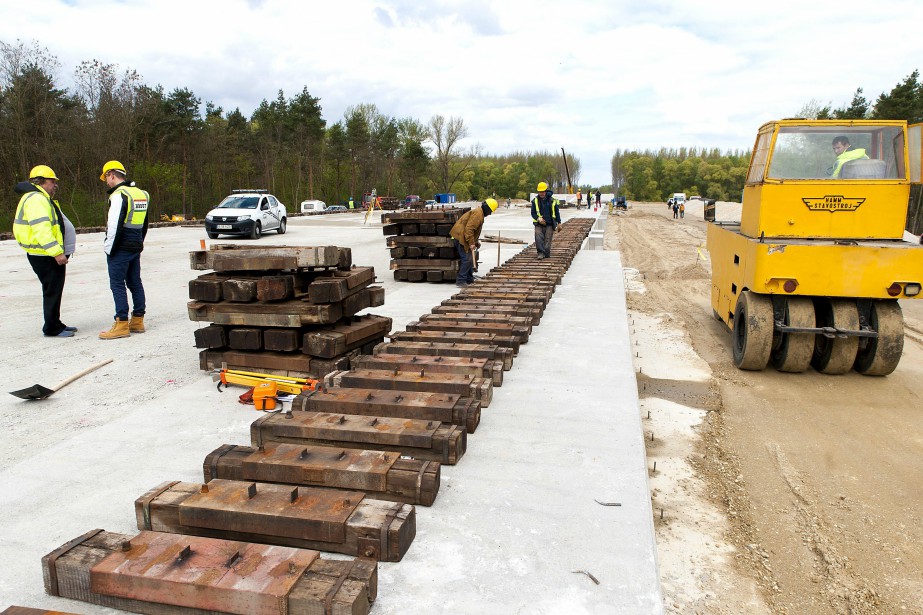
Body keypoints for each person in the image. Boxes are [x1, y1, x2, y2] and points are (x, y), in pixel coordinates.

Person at [13, 165, 78, 338]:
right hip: (45, 254)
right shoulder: (36, 199)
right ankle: (51, 328)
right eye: (52, 181)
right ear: (41, 182)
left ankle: (55, 323)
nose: (55, 185)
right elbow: (42, 230)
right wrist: (57, 252)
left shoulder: (39, 197)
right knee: (52, 290)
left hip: (45, 253)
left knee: (54, 289)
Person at [99, 160, 150, 340]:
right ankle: (137, 320)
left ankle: (121, 323)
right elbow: (144, 224)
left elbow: (114, 225)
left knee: (117, 283)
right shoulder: (141, 194)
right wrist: (139, 243)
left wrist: (108, 248)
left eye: (106, 178)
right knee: (134, 281)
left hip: (120, 245)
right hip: (135, 242)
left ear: (111, 175)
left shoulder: (119, 195)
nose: (106, 182)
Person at [450, 198, 498, 287]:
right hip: (460, 237)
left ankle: (469, 279)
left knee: (470, 259)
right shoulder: (478, 214)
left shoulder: (479, 213)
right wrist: (471, 243)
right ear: (487, 208)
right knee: (467, 259)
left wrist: (475, 242)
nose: (490, 213)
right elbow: (469, 229)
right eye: (490, 211)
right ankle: (461, 280)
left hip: (463, 237)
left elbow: (473, 231)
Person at [531, 181, 561, 259]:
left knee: (548, 239)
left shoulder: (552, 200)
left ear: (546, 190)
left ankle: (546, 252)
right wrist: (538, 218)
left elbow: (557, 212)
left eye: (543, 191)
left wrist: (559, 222)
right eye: (540, 192)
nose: (541, 193)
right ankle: (540, 252)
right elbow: (533, 213)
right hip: (539, 224)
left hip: (550, 223)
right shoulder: (535, 201)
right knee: (538, 236)